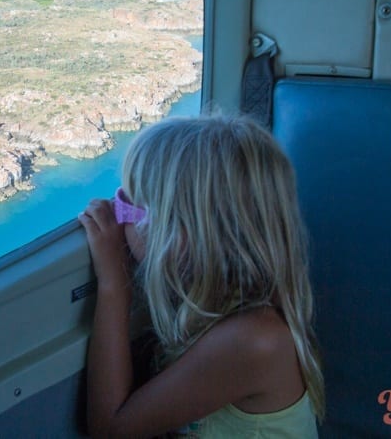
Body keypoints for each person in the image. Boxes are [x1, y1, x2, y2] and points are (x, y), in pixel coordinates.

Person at [78, 115, 324, 438]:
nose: (118, 215)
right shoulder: (211, 307)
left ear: (183, 235)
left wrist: (113, 283)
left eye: (128, 207)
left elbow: (109, 428)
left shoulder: (254, 340)